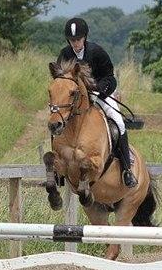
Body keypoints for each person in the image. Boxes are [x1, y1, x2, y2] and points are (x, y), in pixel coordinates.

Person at [56, 17, 137, 188]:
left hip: (101, 93)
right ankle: (59, 169)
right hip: (75, 100)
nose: (75, 43)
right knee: (58, 120)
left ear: (84, 37)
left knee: (118, 122)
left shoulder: (97, 52)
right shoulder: (64, 55)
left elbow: (110, 78)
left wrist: (98, 90)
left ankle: (126, 169)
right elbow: (61, 80)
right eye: (72, 40)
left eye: (78, 39)